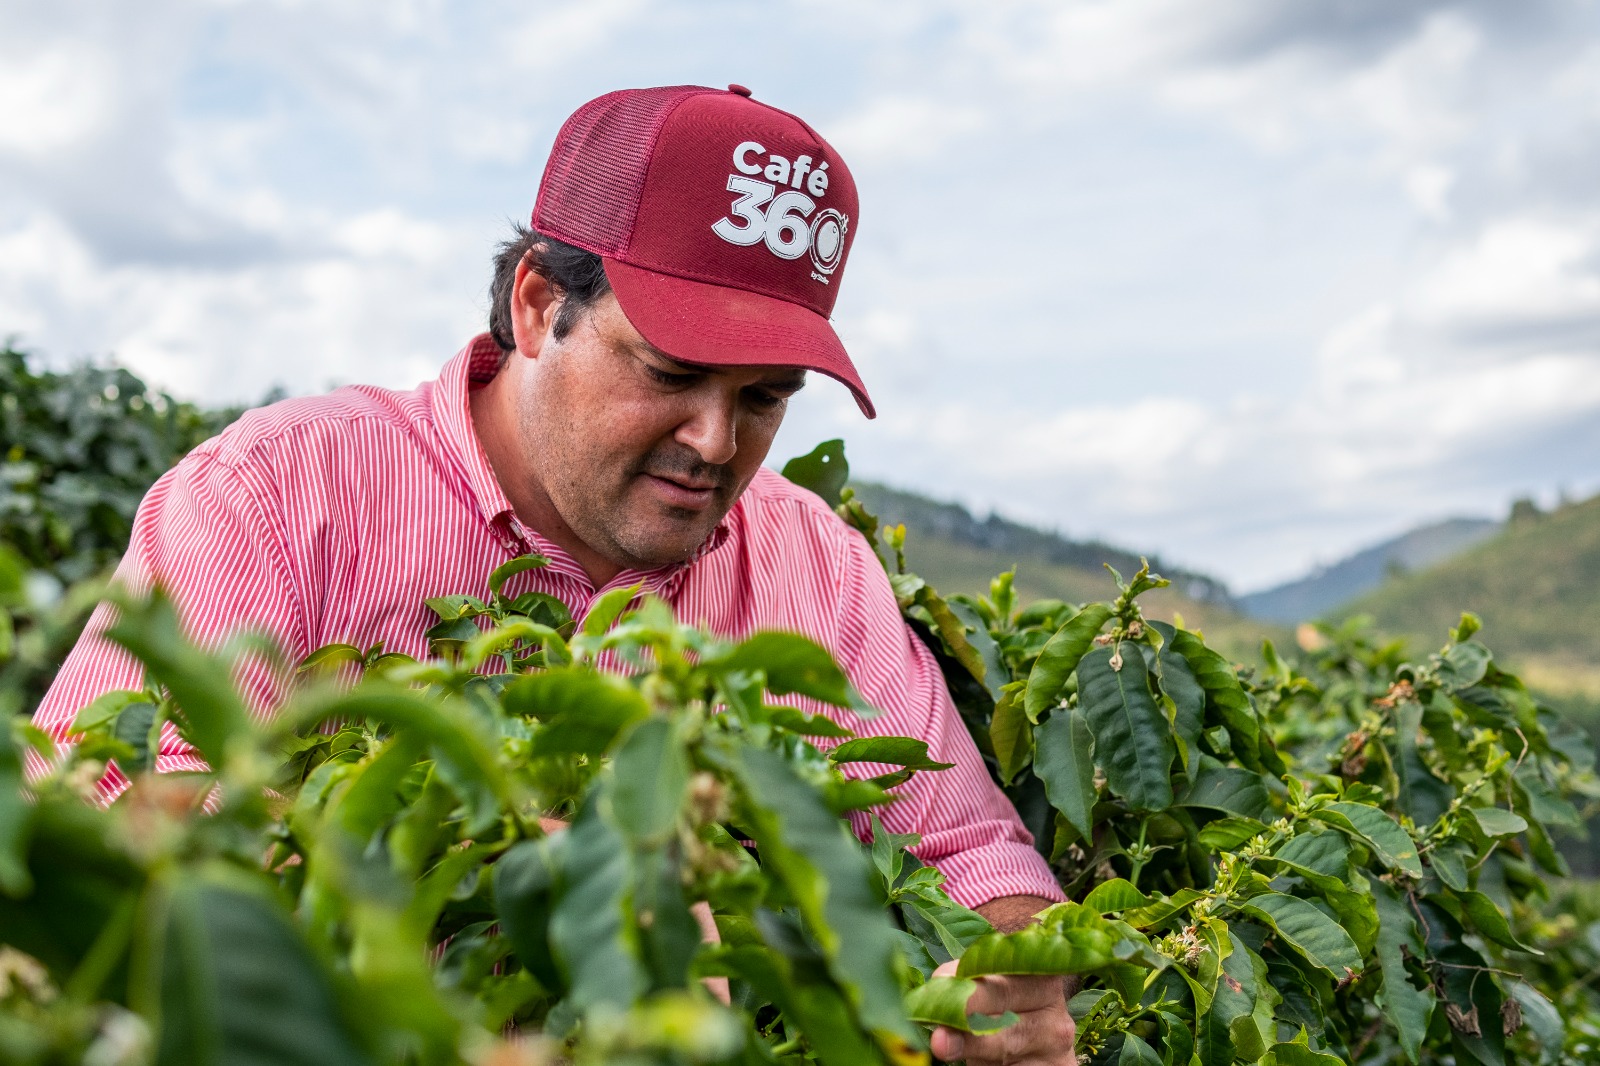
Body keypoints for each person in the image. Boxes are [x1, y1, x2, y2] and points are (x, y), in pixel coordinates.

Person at [32, 84, 1075, 1065]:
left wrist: (1008, 985)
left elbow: (969, 855)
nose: (714, 442)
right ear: (536, 305)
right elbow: (91, 831)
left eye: (764, 396)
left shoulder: (815, 565)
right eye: (667, 373)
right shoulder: (275, 496)